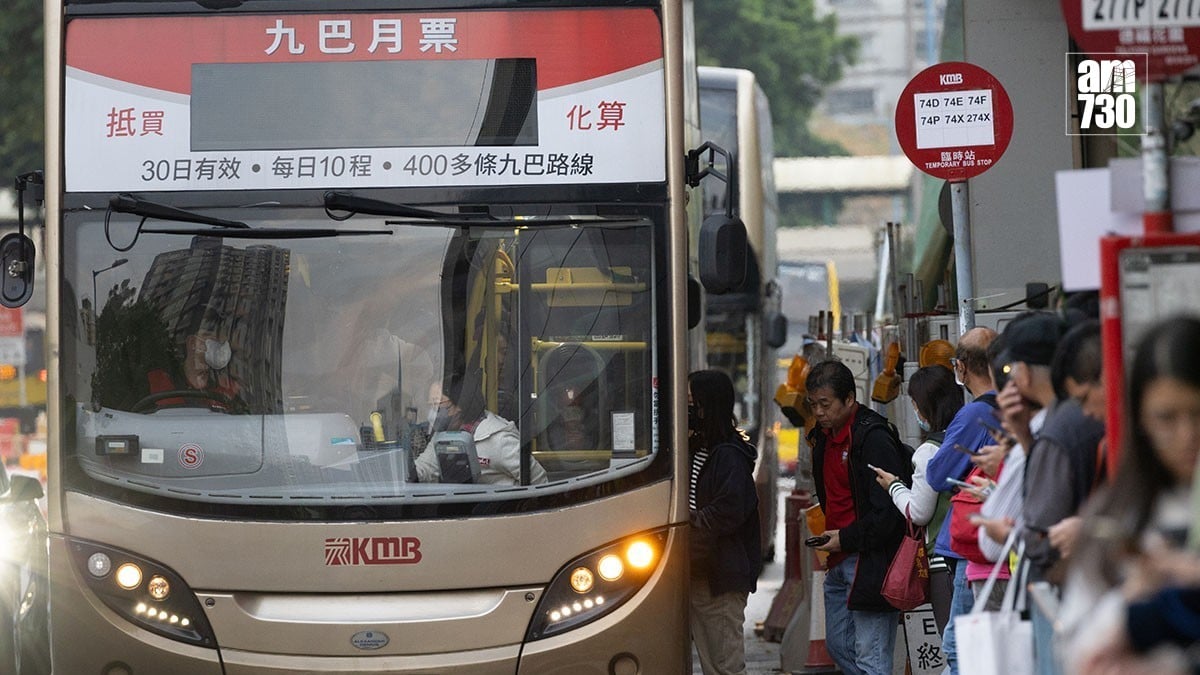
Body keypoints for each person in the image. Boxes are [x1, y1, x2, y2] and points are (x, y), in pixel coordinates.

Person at [1060, 316, 1200, 674]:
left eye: (1198, 414)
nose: (1187, 435)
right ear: (1140, 419)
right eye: (1167, 418)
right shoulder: (1116, 513)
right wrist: (1131, 597)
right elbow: (1078, 651)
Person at [805, 360, 909, 675]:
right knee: (839, 645)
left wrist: (846, 538)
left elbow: (890, 512)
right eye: (814, 405)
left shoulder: (872, 438)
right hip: (838, 559)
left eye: (826, 404)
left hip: (870, 562)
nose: (819, 412)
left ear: (849, 398)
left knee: (871, 656)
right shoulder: (823, 437)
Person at [924, 326, 997, 675]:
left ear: (963, 366)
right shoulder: (1015, 407)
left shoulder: (973, 415)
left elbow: (937, 475)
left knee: (959, 646)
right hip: (1000, 544)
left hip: (971, 547)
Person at [870, 363, 963, 633]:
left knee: (953, 647)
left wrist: (894, 486)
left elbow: (918, 512)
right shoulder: (971, 437)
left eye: (914, 403)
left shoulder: (928, 452)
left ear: (925, 406)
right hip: (974, 557)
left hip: (942, 561)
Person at [686, 369, 762, 675]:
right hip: (700, 573)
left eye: (691, 401)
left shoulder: (728, 455)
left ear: (708, 404)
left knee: (724, 666)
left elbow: (729, 510)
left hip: (719, 578)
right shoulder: (697, 448)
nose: (687, 408)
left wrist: (691, 522)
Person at [414, 370, 548, 486]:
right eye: (430, 406)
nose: (433, 412)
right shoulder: (441, 436)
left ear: (460, 404)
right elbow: (424, 468)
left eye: (437, 405)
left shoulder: (498, 439)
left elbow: (537, 478)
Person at [146, 329, 242, 410]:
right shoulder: (156, 381)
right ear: (192, 343)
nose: (220, 345)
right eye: (212, 338)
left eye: (222, 340)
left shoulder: (228, 390)